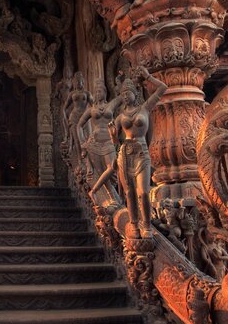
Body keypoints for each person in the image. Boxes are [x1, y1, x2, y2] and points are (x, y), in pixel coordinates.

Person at [92, 68, 167, 238]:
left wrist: (147, 76)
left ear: (135, 93)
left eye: (128, 93)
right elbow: (115, 142)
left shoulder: (145, 108)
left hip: (141, 152)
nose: (125, 96)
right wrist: (113, 136)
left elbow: (163, 88)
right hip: (125, 153)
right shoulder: (119, 117)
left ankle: (146, 225)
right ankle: (134, 224)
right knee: (130, 192)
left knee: (144, 192)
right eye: (123, 94)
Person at [77, 79, 122, 200]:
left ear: (105, 92)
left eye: (100, 91)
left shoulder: (111, 105)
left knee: (112, 167)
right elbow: (79, 125)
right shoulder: (91, 109)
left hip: (108, 140)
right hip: (94, 143)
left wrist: (119, 83)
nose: (98, 93)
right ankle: (113, 198)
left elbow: (123, 96)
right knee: (100, 171)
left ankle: (96, 191)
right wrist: (82, 142)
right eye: (96, 91)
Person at [61, 71, 93, 157]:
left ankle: (89, 162)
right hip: (74, 118)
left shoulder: (87, 93)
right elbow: (64, 108)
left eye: (80, 81)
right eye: (77, 81)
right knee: (77, 140)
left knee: (89, 139)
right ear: (74, 82)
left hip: (85, 118)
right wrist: (65, 119)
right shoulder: (72, 94)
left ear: (83, 81)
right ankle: (80, 162)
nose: (79, 83)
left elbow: (94, 106)